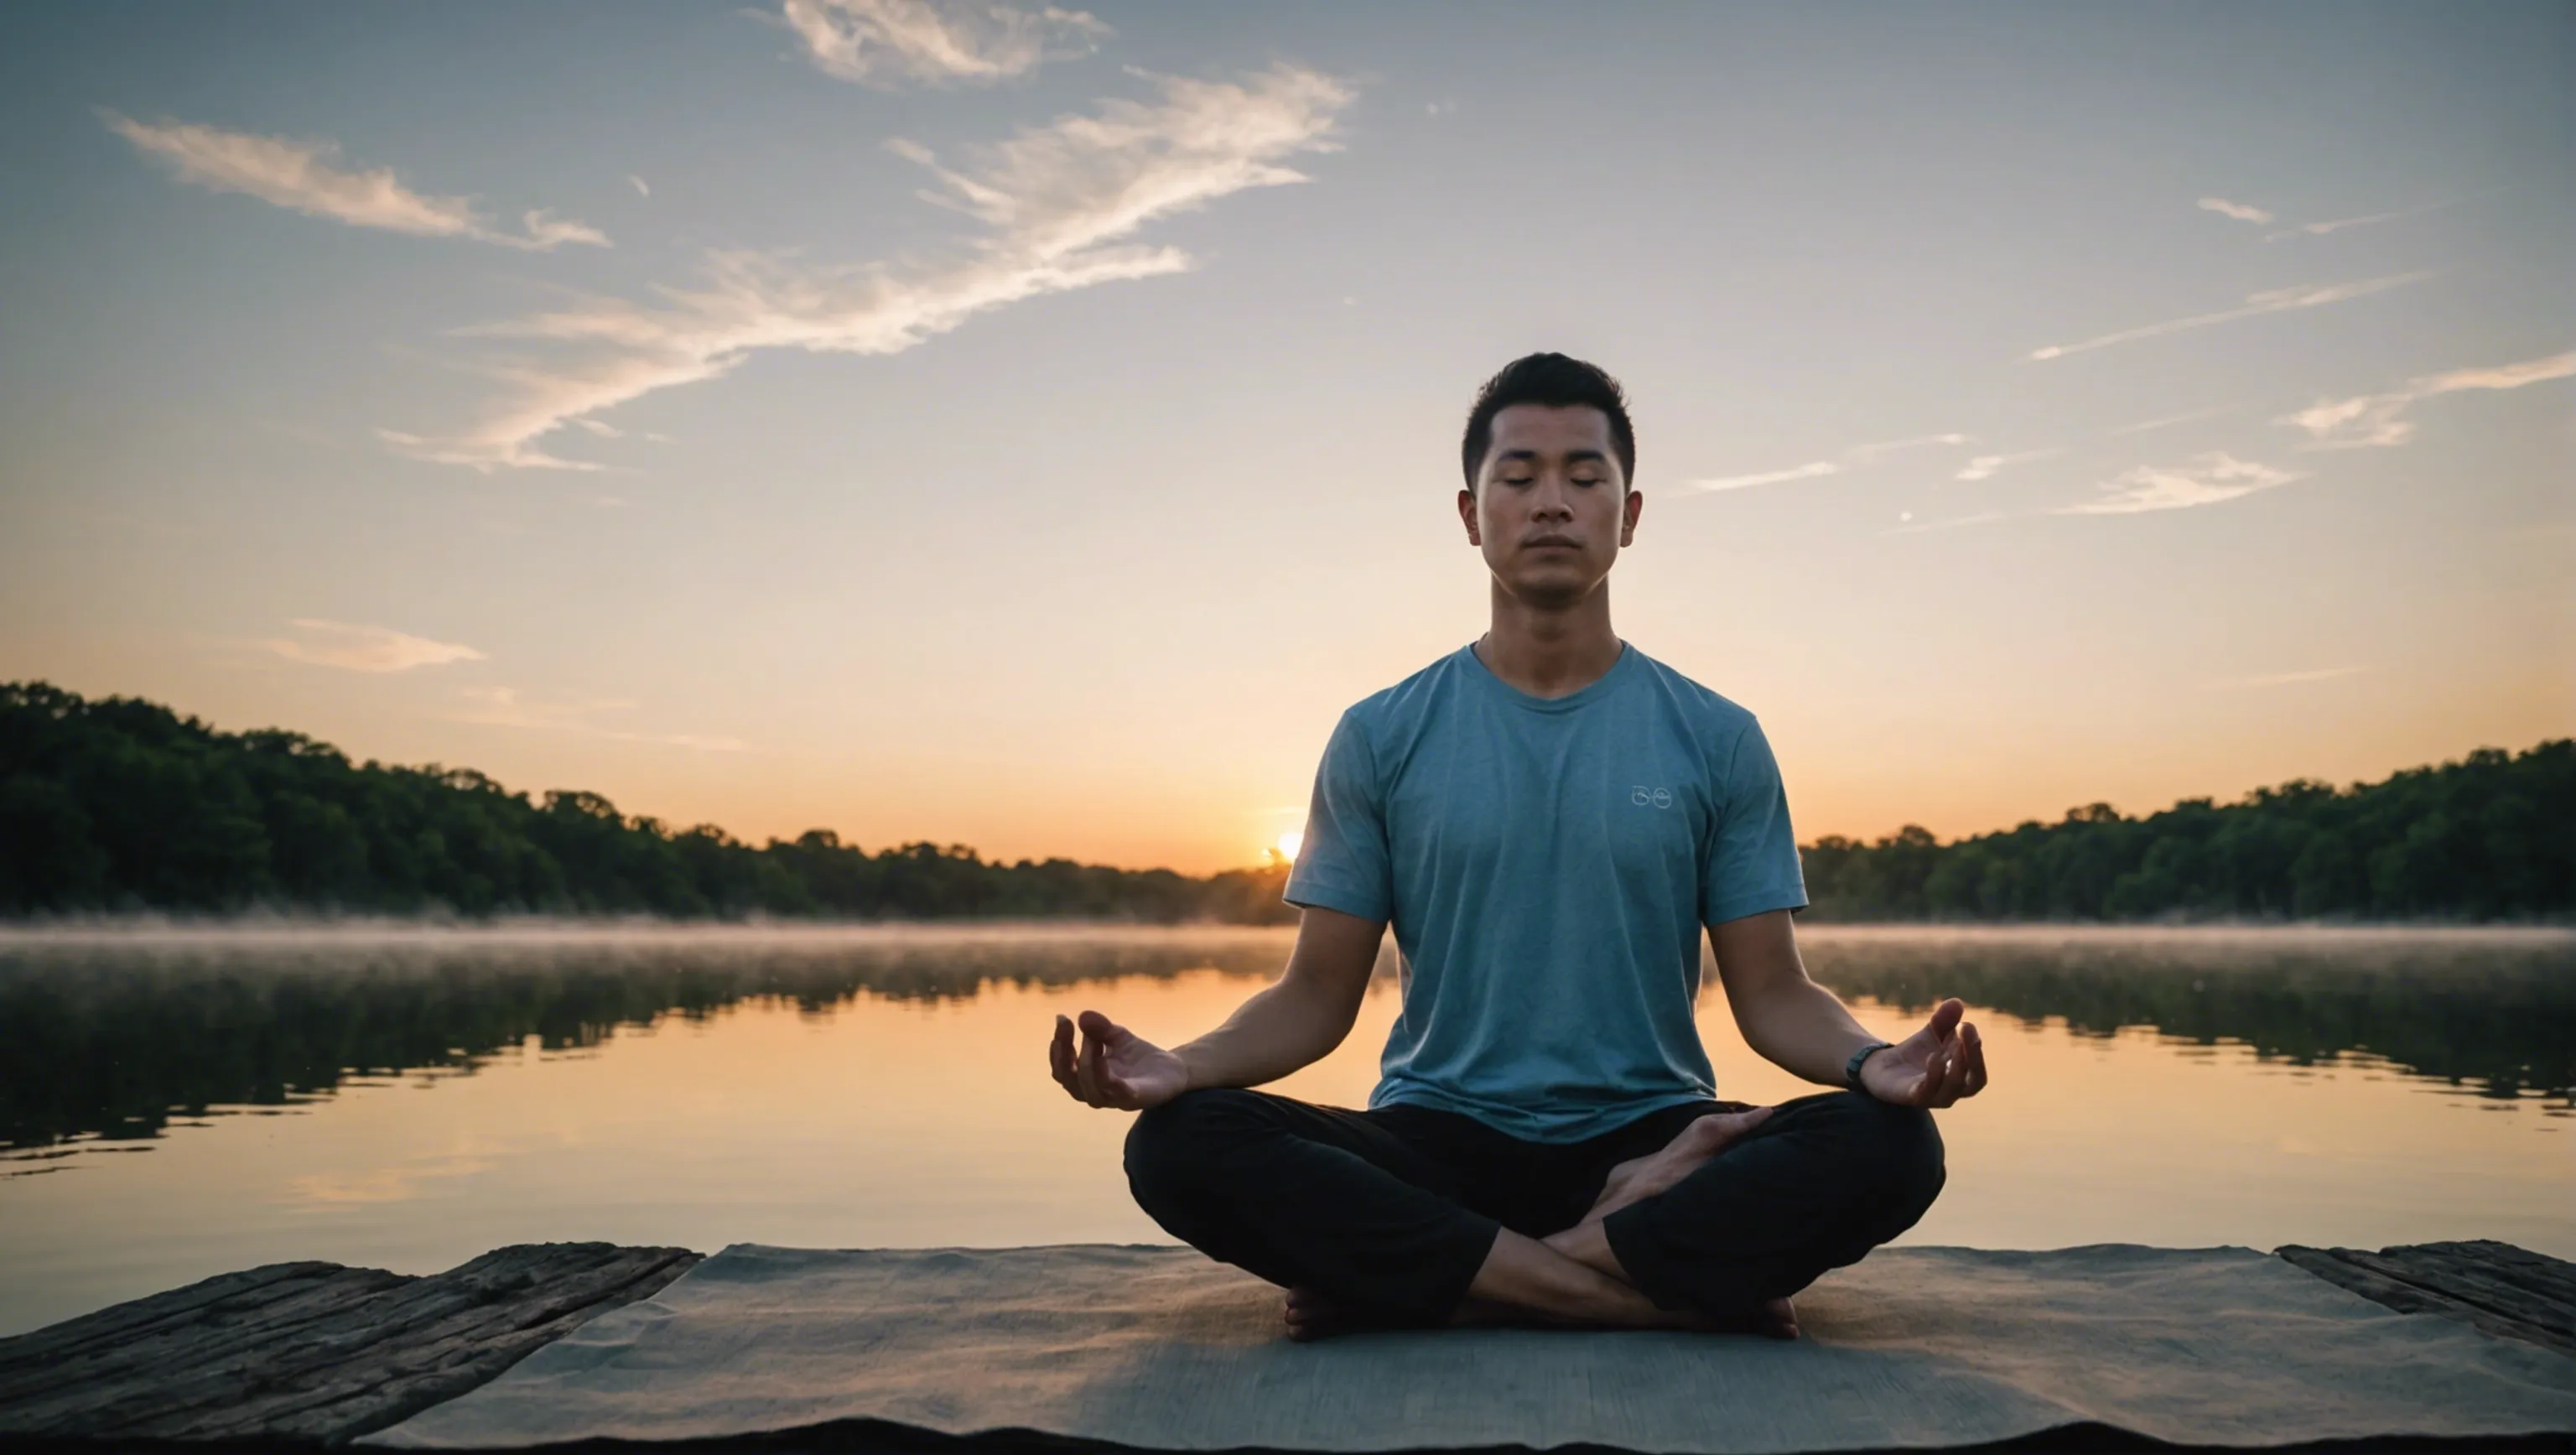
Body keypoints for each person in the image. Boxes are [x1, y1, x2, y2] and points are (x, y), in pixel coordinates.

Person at [1046, 353, 1987, 1340]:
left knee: (1891, 1145)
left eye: (1585, 479)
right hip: (1435, 1138)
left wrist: (1874, 1061)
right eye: (1520, 476)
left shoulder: (1717, 735)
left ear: (1628, 516)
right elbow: (1315, 998)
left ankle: (1442, 1273)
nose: (1551, 503)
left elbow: (1775, 995)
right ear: (1469, 513)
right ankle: (1637, 1282)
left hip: (1655, 1136)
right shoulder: (1382, 733)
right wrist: (1182, 1068)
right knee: (1181, 1144)